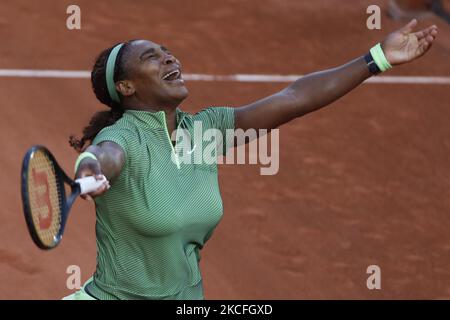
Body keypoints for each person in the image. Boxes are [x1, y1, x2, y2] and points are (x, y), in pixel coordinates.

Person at [63, 19, 438, 299]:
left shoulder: (206, 131)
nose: (168, 58)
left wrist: (377, 59)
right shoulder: (123, 135)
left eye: (166, 51)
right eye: (151, 57)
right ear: (127, 87)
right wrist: (90, 171)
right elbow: (104, 154)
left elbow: (293, 99)